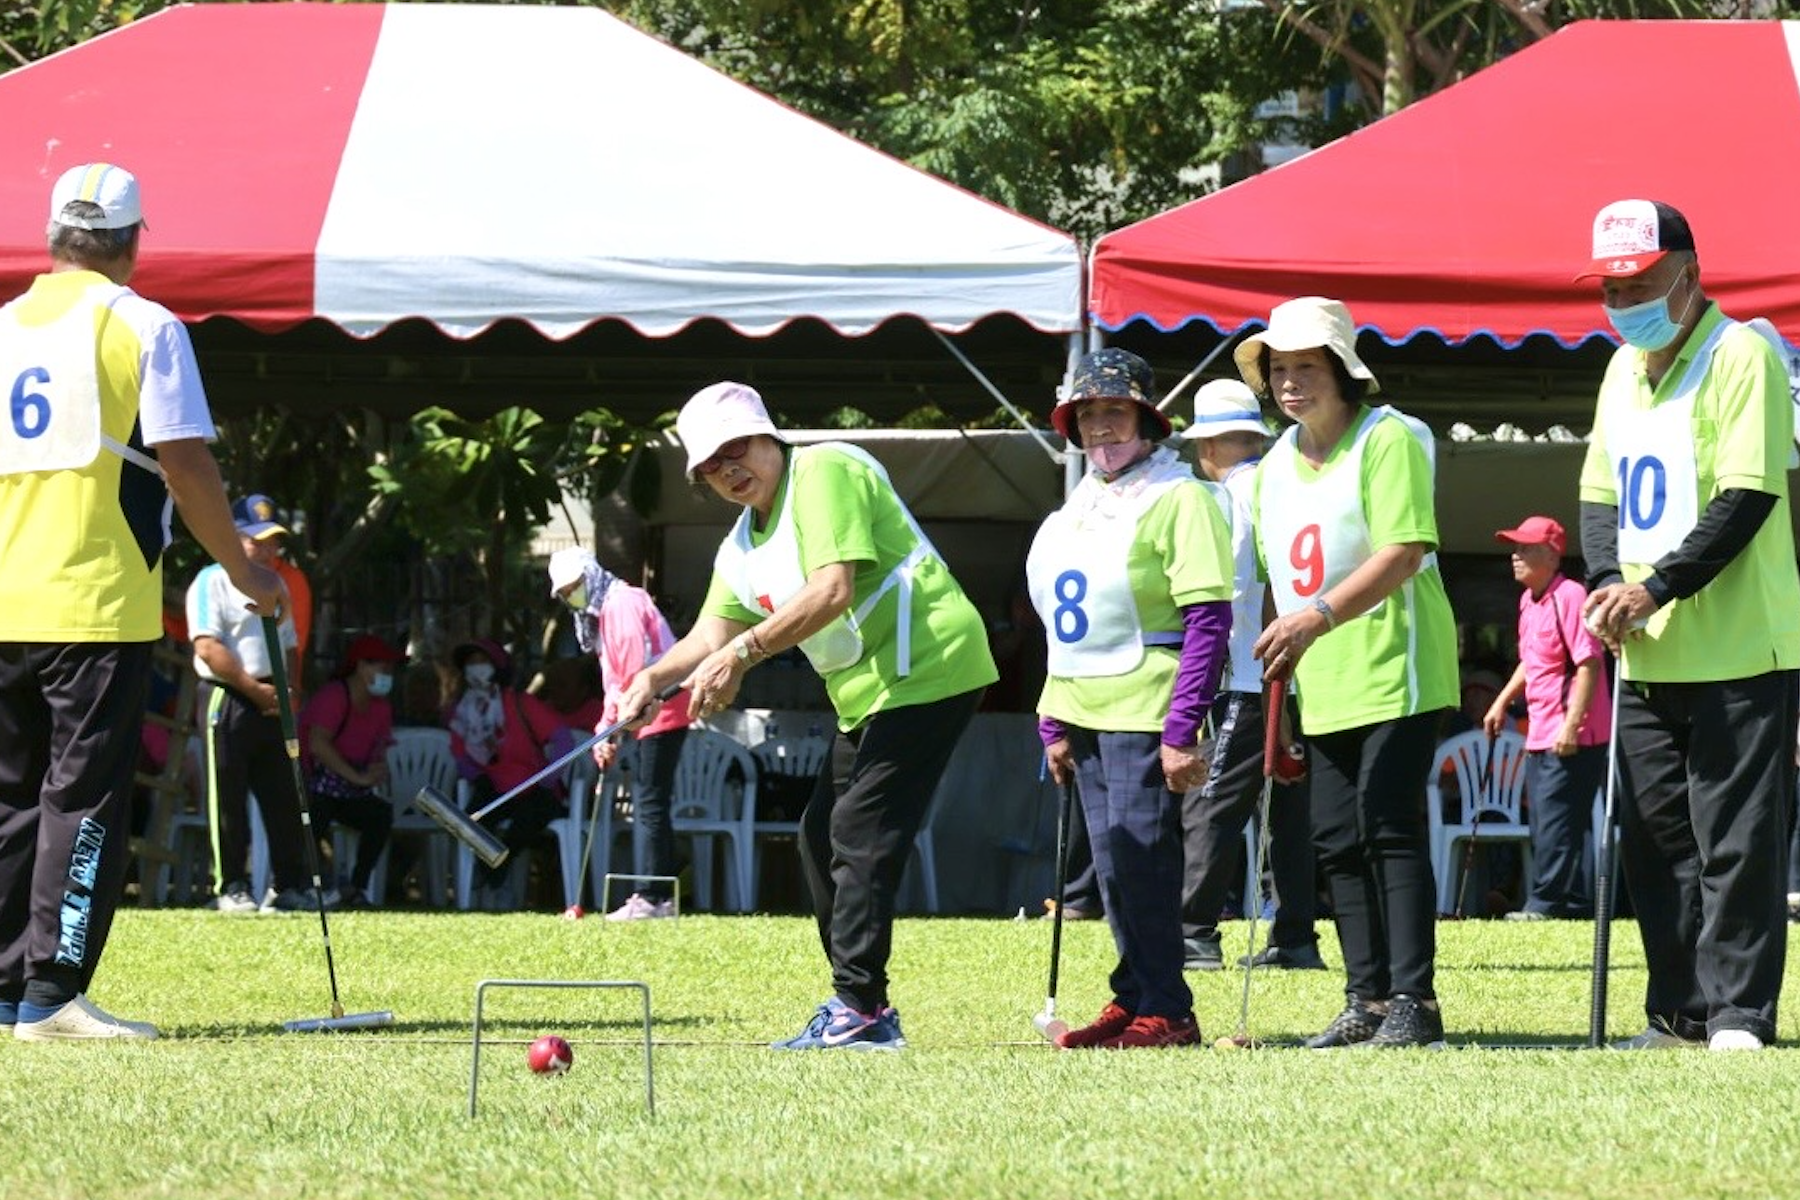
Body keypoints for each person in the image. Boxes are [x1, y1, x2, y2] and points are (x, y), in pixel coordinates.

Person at [616, 382, 996, 1050]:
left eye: (739, 448)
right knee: (819, 835)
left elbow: (831, 589)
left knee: (860, 834)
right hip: (869, 693)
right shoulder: (739, 546)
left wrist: (745, 653)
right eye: (712, 463)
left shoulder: (825, 470)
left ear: (770, 436)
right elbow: (711, 633)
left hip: (931, 664)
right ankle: (860, 1004)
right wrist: (652, 677)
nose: (730, 468)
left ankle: (861, 1010)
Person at [0, 163, 283, 1041]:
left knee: (9, 797)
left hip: (5, 596)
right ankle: (51, 996)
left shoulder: (4, 326)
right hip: (96, 600)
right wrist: (241, 568)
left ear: (55, 237)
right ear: (129, 242)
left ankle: (11, 989)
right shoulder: (144, 324)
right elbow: (187, 462)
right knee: (80, 800)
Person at [1574, 199, 1799, 1051]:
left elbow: (1747, 493)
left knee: (1736, 842)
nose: (1622, 296)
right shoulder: (1620, 367)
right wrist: (1604, 582)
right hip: (1647, 653)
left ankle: (1740, 1014)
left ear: (1689, 271)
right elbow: (1600, 493)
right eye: (1609, 283)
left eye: (1638, 278)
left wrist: (1656, 588)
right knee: (1658, 846)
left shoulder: (1744, 350)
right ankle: (1679, 1011)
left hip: (1741, 646)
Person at [1244, 296, 1459, 1050]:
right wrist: (1286, 651)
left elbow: (1404, 551)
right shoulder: (1270, 466)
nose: (1289, 381)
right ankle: (1364, 998)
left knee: (1387, 823)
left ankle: (1414, 1001)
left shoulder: (1387, 438)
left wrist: (1318, 618)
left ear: (1342, 370)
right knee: (1335, 837)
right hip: (1320, 675)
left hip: (1397, 666)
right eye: (1278, 369)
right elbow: (1278, 581)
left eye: (1305, 366)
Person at [1027, 349, 1234, 1050]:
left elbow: (1208, 618)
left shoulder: (1180, 498)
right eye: (1087, 415)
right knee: (1112, 867)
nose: (1099, 428)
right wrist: (1053, 719)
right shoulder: (1082, 503)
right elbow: (1063, 622)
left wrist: (1182, 729)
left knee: (1145, 860)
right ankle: (1134, 993)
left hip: (1146, 706)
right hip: (1083, 706)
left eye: (1113, 412)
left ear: (1145, 419)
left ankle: (1169, 1008)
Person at [1177, 379, 1323, 972]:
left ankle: (1193, 932)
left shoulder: (1227, 498)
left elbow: (1247, 590)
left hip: (1250, 669)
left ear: (1206, 445)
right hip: (1306, 668)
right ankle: (1294, 938)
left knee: (1210, 803)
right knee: (1287, 812)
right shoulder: (1284, 481)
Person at [547, 547, 693, 921]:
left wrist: (612, 729)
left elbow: (632, 672)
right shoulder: (602, 612)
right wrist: (604, 728)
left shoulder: (621, 603)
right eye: (564, 593)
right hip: (642, 710)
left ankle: (652, 897)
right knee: (650, 800)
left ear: (590, 576)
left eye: (574, 586)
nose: (570, 596)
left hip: (660, 706)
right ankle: (656, 896)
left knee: (649, 803)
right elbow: (614, 679)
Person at [187, 495, 315, 915]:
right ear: (234, 537)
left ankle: (289, 885)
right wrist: (250, 687)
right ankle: (232, 885)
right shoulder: (211, 580)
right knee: (227, 794)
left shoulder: (277, 584)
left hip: (274, 699)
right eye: (257, 542)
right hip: (229, 696)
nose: (267, 551)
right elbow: (207, 646)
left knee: (283, 795)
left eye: (273, 542)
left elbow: (291, 643)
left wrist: (290, 690)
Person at [1483, 515, 1611, 921]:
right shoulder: (1528, 600)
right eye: (1515, 548)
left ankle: (1545, 904)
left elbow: (1589, 663)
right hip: (1540, 730)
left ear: (1552, 555)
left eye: (1526, 548)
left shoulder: (1570, 595)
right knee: (1545, 819)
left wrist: (1572, 725)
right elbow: (1530, 659)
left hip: (1574, 732)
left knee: (1556, 821)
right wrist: (1501, 701)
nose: (1515, 556)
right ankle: (1568, 902)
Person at [445, 638, 569, 909]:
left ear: (498, 667)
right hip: (493, 786)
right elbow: (459, 752)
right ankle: (496, 878)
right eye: (471, 664)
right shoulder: (463, 711)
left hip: (534, 788)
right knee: (471, 821)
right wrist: (473, 774)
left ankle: (496, 874)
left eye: (483, 662)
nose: (476, 669)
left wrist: (550, 775)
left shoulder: (520, 703)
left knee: (528, 820)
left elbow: (562, 738)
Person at [299, 634, 403, 909]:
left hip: (351, 790)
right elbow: (318, 744)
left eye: (390, 670)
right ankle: (305, 883)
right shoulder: (333, 697)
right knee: (315, 814)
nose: (387, 676)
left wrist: (377, 768)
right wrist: (357, 777)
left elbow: (379, 747)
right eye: (382, 668)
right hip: (317, 785)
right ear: (361, 666)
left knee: (380, 815)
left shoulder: (381, 707)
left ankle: (357, 886)